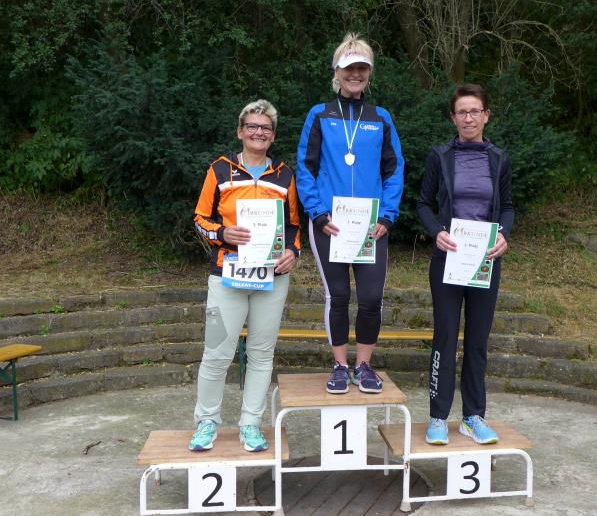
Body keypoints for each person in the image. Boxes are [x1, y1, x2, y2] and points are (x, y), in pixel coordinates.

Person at [296, 33, 405, 394]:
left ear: (369, 73)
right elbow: (306, 167)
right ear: (337, 72)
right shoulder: (319, 114)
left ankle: (365, 365)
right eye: (349, 67)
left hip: (371, 226)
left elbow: (394, 170)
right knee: (339, 295)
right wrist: (317, 213)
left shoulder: (381, 118)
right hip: (330, 225)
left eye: (362, 68)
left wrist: (387, 216)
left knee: (371, 297)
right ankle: (340, 365)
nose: (355, 74)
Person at [190, 99, 301, 452]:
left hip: (271, 277)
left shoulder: (284, 175)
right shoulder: (219, 170)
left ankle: (251, 424)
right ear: (240, 131)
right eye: (252, 126)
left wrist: (293, 252)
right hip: (227, 274)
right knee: (216, 353)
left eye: (265, 128)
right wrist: (223, 233)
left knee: (261, 354)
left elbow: (294, 225)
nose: (258, 132)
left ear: (273, 136)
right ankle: (206, 421)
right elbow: (200, 219)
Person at [416, 84, 514, 445]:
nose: (468, 118)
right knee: (445, 336)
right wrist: (437, 231)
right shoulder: (440, 156)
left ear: (486, 115)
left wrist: (504, 234)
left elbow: (508, 206)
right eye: (462, 112)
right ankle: (438, 417)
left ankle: (473, 416)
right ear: (453, 117)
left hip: (485, 260)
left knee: (477, 340)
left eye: (475, 111)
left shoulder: (499, 158)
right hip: (448, 259)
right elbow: (423, 203)